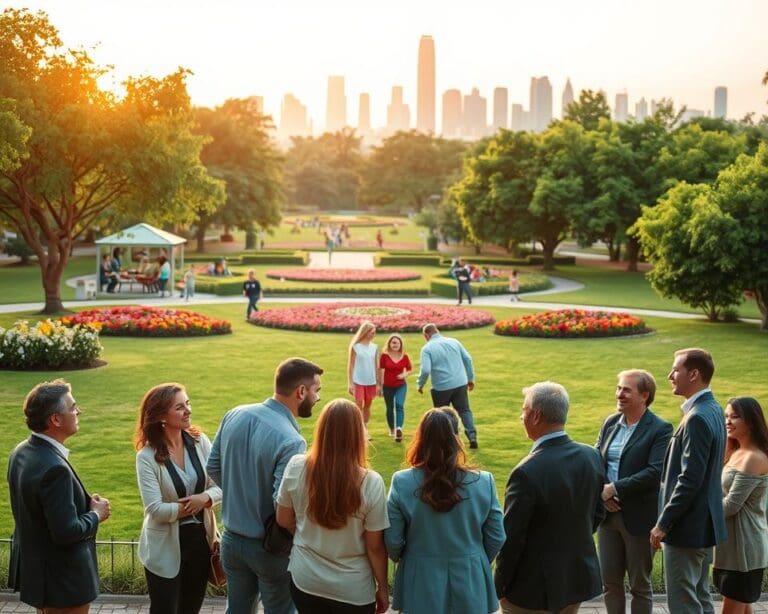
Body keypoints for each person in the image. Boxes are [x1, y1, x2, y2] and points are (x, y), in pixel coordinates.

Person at [206, 358, 324, 614]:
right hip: (269, 549)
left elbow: (212, 466)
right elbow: (282, 503)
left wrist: (240, 492)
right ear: (301, 391)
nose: (318, 398)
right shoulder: (292, 440)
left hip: (231, 541)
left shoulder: (234, 414)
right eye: (317, 390)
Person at [495, 381, 605, 613]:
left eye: (524, 410)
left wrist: (499, 586)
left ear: (536, 416)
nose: (521, 416)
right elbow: (597, 512)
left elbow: (512, 539)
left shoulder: (526, 472)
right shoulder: (591, 456)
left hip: (532, 590)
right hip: (574, 581)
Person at [386, 408, 505, 614]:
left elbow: (393, 540)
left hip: (420, 579)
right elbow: (497, 535)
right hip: (470, 576)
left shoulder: (402, 482)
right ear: (456, 438)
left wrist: (409, 557)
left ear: (421, 438)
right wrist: (474, 558)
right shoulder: (483, 481)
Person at [276, 399, 390, 614]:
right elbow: (374, 547)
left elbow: (283, 519)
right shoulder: (370, 482)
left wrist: (307, 535)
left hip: (306, 580)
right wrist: (383, 588)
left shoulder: (296, 466)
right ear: (357, 435)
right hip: (352, 589)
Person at [7, 380, 112, 613]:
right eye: (73, 407)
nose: (78, 411)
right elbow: (66, 532)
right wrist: (96, 514)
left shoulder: (20, 452)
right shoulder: (55, 469)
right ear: (55, 419)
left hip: (40, 579)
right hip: (64, 584)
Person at [134, 383, 222, 614]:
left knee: (191, 608)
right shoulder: (146, 457)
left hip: (200, 541)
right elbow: (155, 510)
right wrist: (192, 506)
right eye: (179, 407)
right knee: (164, 609)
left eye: (188, 404)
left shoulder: (200, 442)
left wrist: (204, 498)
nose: (188, 411)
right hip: (163, 546)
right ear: (161, 416)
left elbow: (221, 485)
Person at [651, 348, 727, 613]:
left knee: (684, 602)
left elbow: (689, 479)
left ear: (694, 374)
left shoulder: (696, 418)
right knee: (701, 597)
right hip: (703, 526)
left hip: (687, 529)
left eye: (675, 370)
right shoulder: (713, 409)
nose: (669, 375)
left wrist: (664, 523)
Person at [595, 370, 673, 614]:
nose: (619, 394)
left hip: (640, 518)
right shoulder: (610, 423)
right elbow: (596, 461)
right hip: (608, 515)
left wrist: (614, 488)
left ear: (645, 395)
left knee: (639, 585)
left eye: (626, 390)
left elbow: (655, 471)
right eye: (619, 388)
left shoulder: (660, 428)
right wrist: (602, 493)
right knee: (609, 582)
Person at [713, 397, 768, 614]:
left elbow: (730, 506)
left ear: (751, 422)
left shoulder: (753, 458)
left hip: (743, 550)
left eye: (735, 416)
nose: (728, 421)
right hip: (729, 547)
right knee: (743, 608)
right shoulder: (736, 452)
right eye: (726, 416)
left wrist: (698, 509)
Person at [416, 323, 478, 448]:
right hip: (460, 383)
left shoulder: (427, 348)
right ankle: (472, 435)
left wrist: (420, 384)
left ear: (426, 335)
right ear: (437, 331)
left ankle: (451, 440)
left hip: (441, 387)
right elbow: (468, 359)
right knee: (464, 410)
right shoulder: (454, 342)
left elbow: (426, 370)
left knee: (442, 415)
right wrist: (470, 379)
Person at [348, 321, 380, 436]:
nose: (373, 335)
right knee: (358, 405)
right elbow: (351, 365)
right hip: (358, 381)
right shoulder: (355, 347)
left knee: (367, 406)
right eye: (372, 332)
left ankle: (365, 427)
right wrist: (350, 383)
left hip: (371, 381)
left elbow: (376, 366)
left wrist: (378, 383)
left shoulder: (374, 347)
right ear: (365, 332)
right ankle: (359, 428)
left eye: (374, 332)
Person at [379, 333, 412, 443]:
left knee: (399, 405)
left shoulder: (405, 356)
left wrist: (404, 375)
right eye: (393, 343)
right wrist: (380, 386)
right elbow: (381, 370)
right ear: (389, 344)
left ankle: (399, 429)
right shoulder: (384, 356)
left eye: (397, 343)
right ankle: (392, 429)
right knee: (389, 408)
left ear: (401, 344)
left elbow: (409, 369)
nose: (395, 345)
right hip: (387, 386)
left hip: (401, 385)